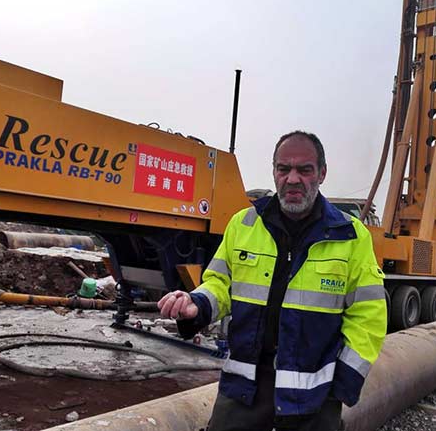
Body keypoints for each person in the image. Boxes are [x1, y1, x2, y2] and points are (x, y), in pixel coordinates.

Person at [158, 131, 387, 431]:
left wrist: (343, 382)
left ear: (322, 174)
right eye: (284, 168)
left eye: (304, 170)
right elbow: (219, 284)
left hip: (314, 397)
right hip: (244, 390)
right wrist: (196, 303)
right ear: (274, 172)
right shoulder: (243, 224)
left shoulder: (352, 236)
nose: (293, 179)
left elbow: (368, 316)